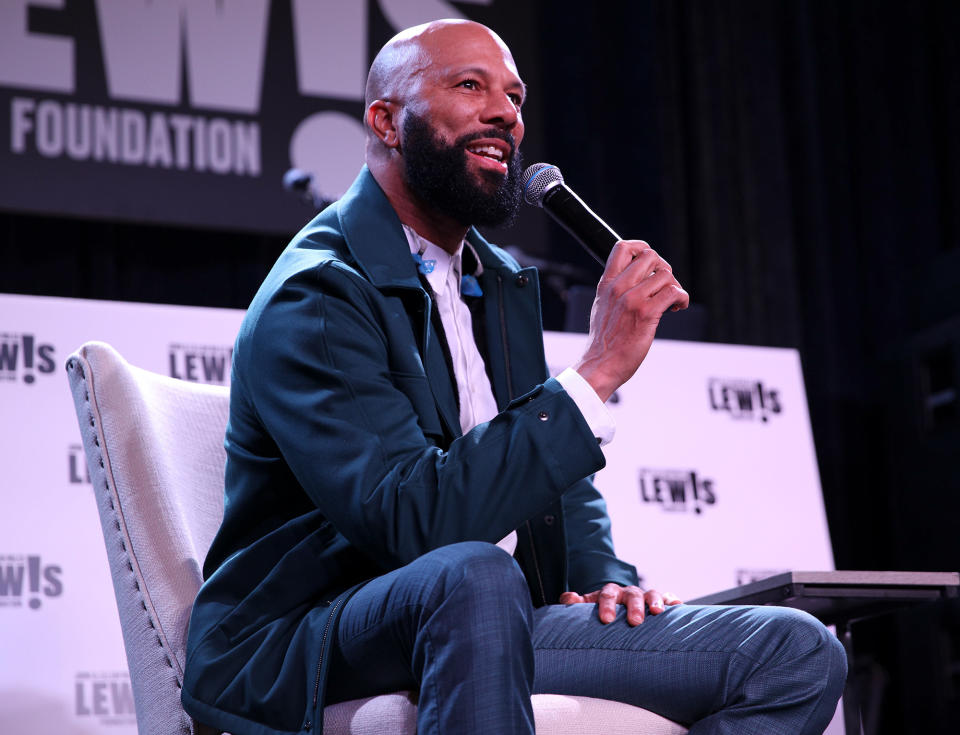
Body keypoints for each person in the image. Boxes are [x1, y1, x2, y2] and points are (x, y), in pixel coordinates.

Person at [182, 19, 846, 735]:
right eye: (470, 86)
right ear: (388, 121)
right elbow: (413, 522)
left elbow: (556, 481)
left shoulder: (494, 281)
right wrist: (595, 372)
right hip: (305, 636)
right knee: (472, 573)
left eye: (515, 96)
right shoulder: (319, 293)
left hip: (482, 613)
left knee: (796, 650)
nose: (506, 113)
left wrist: (604, 581)